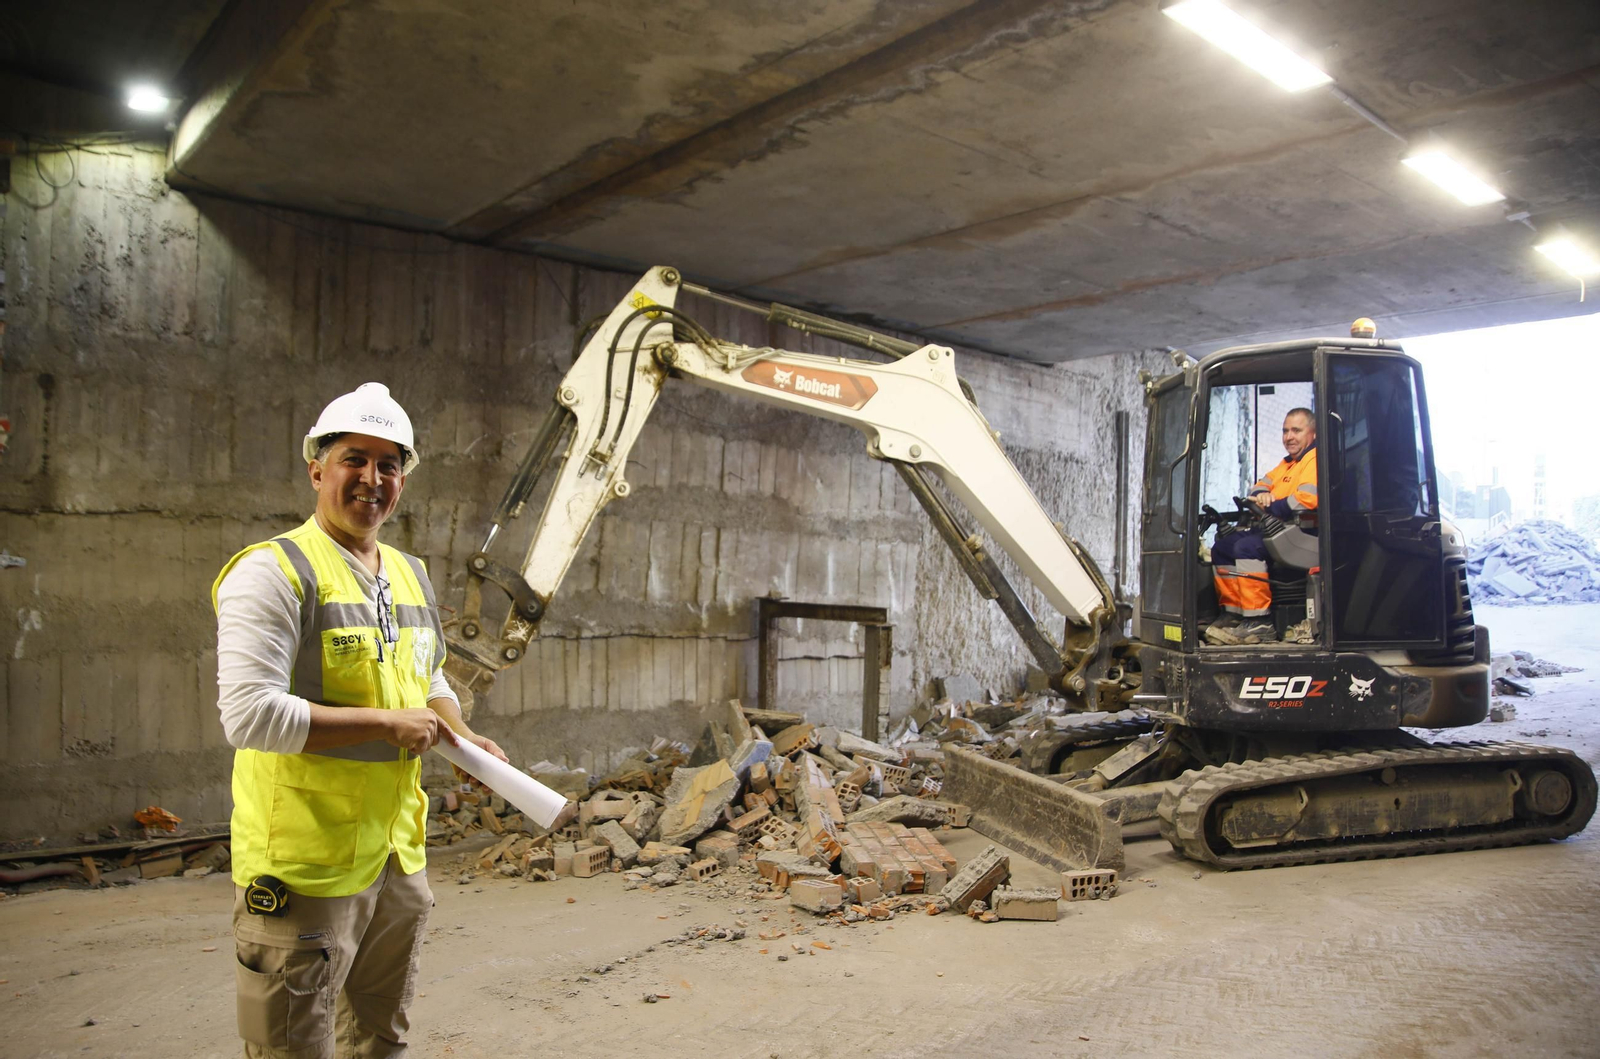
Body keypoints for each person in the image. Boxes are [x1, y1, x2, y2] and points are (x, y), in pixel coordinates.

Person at [213, 382, 513, 1058]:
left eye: (390, 463)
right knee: (293, 1045)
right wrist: (384, 723)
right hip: (305, 865)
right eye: (355, 458)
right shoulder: (274, 572)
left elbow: (426, 673)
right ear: (316, 466)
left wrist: (462, 737)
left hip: (395, 855)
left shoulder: (408, 573)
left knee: (381, 1034)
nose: (372, 479)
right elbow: (249, 714)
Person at [1206, 407, 1318, 645]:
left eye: (1296, 430)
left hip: (1303, 533)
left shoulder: (1315, 459)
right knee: (1223, 547)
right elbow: (1258, 487)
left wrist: (1272, 505)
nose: (1289, 437)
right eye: (1285, 431)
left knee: (1247, 547)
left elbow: (1308, 498)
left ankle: (1259, 622)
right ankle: (1234, 614)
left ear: (1313, 434)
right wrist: (1262, 496)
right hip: (1278, 530)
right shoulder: (1287, 464)